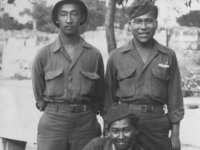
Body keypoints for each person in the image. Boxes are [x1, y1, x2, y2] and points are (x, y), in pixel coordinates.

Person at [104, 0, 184, 150]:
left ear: (156, 24)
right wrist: (108, 131)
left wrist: (175, 135)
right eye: (138, 22)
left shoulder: (168, 55)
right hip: (125, 124)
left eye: (149, 21)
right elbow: (108, 99)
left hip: (157, 125)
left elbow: (175, 99)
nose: (143, 27)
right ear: (130, 25)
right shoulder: (116, 56)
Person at [31, 0, 104, 150]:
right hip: (53, 122)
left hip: (85, 123)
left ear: (82, 18)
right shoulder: (43, 54)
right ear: (57, 19)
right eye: (63, 14)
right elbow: (39, 94)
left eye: (74, 14)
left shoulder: (94, 55)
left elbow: (100, 93)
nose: (69, 20)